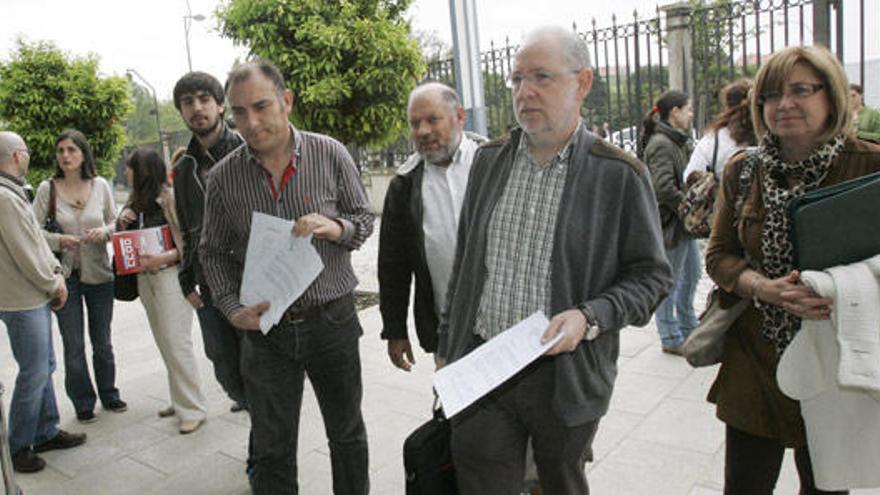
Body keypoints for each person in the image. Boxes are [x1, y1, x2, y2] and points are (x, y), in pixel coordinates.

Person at [437, 26, 672, 494]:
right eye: (517, 79)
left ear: (582, 83)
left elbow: (652, 277)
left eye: (541, 77)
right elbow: (465, 264)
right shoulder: (489, 161)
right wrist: (449, 347)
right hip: (484, 365)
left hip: (565, 379)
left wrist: (589, 318)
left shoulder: (619, 175)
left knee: (559, 483)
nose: (525, 92)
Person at [705, 45, 880, 494]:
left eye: (801, 90)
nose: (784, 104)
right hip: (755, 360)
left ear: (832, 94)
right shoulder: (744, 171)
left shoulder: (869, 165)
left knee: (826, 485)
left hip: (835, 359)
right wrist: (765, 288)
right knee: (744, 486)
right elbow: (719, 256)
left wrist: (840, 287)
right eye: (770, 95)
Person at [200, 60, 374, 494]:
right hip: (265, 331)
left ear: (287, 101)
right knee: (272, 448)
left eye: (261, 106)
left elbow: (363, 220)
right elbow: (212, 251)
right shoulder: (223, 178)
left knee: (347, 434)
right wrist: (231, 309)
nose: (252, 122)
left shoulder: (329, 152)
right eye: (239, 113)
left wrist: (336, 229)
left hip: (331, 320)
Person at [378, 82, 485, 370]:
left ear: (459, 116)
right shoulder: (404, 185)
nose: (422, 131)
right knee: (456, 411)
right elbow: (393, 266)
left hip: (508, 327)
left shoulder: (492, 162)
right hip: (447, 335)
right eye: (415, 123)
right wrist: (395, 330)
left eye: (432, 119)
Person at [0, 131, 86, 473]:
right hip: (22, 299)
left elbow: (34, 240)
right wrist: (54, 283)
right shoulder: (5, 198)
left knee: (44, 365)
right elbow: (25, 251)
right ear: (18, 156)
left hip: (29, 293)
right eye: (28, 151)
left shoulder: (11, 192)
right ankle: (18, 446)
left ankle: (46, 430)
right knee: (35, 371)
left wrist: (52, 274)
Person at [32, 129, 126, 423]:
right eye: (61, 150)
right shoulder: (47, 189)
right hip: (64, 277)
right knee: (73, 344)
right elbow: (32, 232)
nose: (65, 156)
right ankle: (83, 402)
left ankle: (109, 394)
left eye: (72, 149)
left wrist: (105, 232)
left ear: (83, 153)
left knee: (103, 341)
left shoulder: (100, 185)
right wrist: (61, 241)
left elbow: (116, 221)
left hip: (100, 274)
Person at [171, 72, 247, 413]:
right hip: (209, 282)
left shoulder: (246, 150)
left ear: (220, 104)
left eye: (204, 99)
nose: (197, 108)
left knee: (259, 363)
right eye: (188, 102)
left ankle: (262, 442)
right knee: (224, 366)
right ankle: (250, 406)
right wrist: (186, 278)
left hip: (250, 277)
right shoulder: (184, 167)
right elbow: (187, 228)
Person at [119, 148, 207, 434]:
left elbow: (188, 241)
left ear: (144, 170)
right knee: (162, 340)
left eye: (131, 168)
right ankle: (179, 399)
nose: (126, 173)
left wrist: (164, 258)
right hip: (145, 279)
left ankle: (193, 408)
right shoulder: (135, 201)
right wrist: (123, 223)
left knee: (175, 340)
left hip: (171, 276)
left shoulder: (169, 197)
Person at [640, 90, 699, 355]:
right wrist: (687, 206)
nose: (691, 114)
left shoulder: (677, 141)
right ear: (674, 112)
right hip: (671, 224)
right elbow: (662, 187)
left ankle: (689, 327)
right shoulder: (662, 143)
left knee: (692, 276)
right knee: (670, 282)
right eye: (687, 109)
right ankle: (670, 336)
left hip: (682, 225)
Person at [684, 78, 757, 181]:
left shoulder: (713, 141)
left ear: (727, 106)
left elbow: (690, 177)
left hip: (723, 195)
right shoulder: (772, 134)